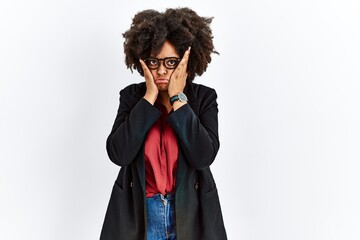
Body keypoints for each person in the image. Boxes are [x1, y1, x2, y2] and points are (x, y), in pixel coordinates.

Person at [100, 7, 227, 240]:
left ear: (186, 62)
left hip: (190, 213)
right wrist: (148, 99)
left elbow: (203, 157)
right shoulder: (131, 97)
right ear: (142, 61)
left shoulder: (205, 99)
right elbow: (119, 154)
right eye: (153, 61)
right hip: (141, 214)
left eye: (171, 62)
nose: (160, 70)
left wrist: (179, 99)